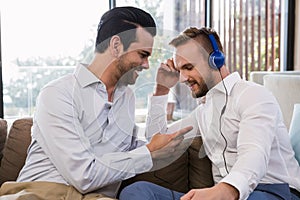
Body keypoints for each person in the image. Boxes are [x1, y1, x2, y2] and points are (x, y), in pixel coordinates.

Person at [0, 7, 192, 200]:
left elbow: (153, 144)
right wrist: (148, 152)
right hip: (40, 192)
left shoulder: (126, 99)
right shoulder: (58, 93)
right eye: (142, 55)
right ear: (116, 45)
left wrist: (161, 92)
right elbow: (84, 177)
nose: (146, 65)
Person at [119, 27, 300, 200]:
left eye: (188, 67)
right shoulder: (203, 112)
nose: (182, 78)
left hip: (274, 192)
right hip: (218, 194)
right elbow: (158, 139)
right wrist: (161, 91)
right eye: (179, 69)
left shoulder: (253, 95)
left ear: (216, 60)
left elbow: (254, 155)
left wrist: (226, 190)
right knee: (136, 191)